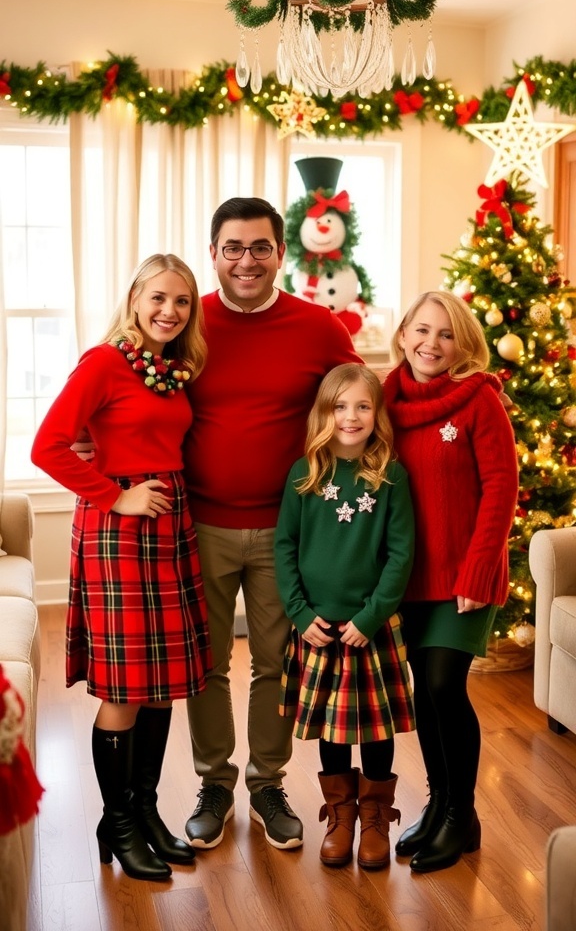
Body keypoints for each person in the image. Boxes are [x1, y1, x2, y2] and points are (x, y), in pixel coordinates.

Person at [183, 197, 363, 851]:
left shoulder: (318, 328)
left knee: (276, 662)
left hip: (291, 533)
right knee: (205, 665)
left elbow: (359, 407)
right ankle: (214, 782)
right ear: (214, 253)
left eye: (260, 247)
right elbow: (126, 384)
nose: (247, 260)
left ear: (281, 253)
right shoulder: (188, 321)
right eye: (233, 247)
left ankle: (267, 782)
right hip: (200, 523)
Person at [31, 254, 212, 882]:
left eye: (182, 302)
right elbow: (46, 444)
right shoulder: (104, 362)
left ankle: (144, 809)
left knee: (159, 681)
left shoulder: (170, 369)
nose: (169, 311)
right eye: (158, 297)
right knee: (125, 686)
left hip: (170, 520)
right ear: (135, 297)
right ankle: (120, 821)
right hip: (119, 529)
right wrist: (115, 493)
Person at [382, 290, 519, 873]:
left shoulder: (479, 402)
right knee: (423, 692)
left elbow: (501, 489)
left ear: (461, 343)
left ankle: (460, 814)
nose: (430, 344)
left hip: (464, 574)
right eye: (421, 330)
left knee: (443, 685)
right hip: (408, 576)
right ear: (404, 333)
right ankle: (442, 806)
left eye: (444, 334)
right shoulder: (385, 399)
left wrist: (480, 568)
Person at [274, 364, 415, 869]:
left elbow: (401, 556)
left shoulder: (390, 476)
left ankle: (376, 815)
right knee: (332, 730)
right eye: (340, 406)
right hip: (317, 628)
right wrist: (298, 610)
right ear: (323, 413)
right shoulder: (304, 473)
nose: (351, 417)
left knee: (376, 731)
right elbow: (284, 547)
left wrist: (372, 616)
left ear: (377, 414)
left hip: (369, 630)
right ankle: (340, 814)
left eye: (362, 406)